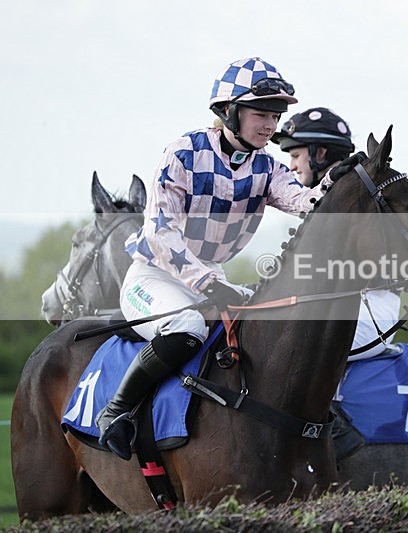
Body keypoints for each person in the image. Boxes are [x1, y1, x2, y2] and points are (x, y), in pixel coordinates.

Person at [95, 57, 343, 461]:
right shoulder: (183, 153)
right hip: (154, 277)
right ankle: (116, 412)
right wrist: (209, 284)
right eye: (261, 114)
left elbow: (306, 202)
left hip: (210, 278)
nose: (270, 125)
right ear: (229, 111)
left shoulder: (266, 167)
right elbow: (161, 233)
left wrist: (338, 179)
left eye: (276, 116)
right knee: (189, 324)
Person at [272, 108, 403, 460]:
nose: (293, 165)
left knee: (305, 334)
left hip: (373, 306)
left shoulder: (357, 200)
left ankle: (334, 426)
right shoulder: (321, 200)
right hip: (342, 301)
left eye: (296, 155)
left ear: (322, 154)